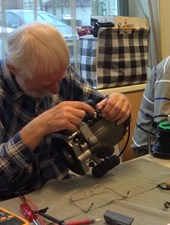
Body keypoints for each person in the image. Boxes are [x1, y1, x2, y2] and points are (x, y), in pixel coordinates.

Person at [0, 22, 131, 200]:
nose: (55, 90)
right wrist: (39, 127)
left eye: (59, 79)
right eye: (45, 84)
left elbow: (100, 104)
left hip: (63, 188)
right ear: (13, 69)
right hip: (13, 202)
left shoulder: (56, 72)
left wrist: (116, 104)